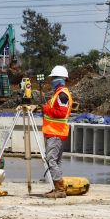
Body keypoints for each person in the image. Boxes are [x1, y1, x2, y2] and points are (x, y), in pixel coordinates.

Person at [41, 65, 73, 198]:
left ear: (60, 79)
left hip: (56, 132)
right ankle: (57, 188)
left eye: (53, 78)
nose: (51, 80)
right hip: (54, 132)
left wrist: (46, 109)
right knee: (56, 161)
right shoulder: (58, 94)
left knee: (51, 160)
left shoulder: (62, 95)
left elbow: (61, 113)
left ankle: (60, 190)